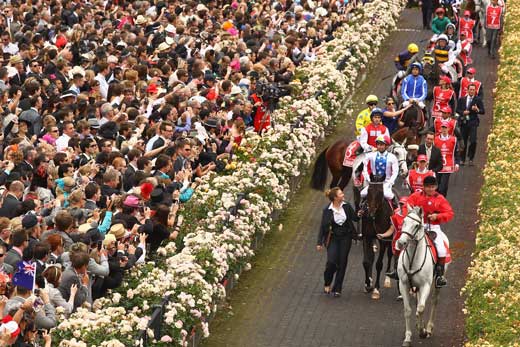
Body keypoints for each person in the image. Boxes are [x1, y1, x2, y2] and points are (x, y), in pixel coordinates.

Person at [406, 176, 454, 287]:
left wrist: (437, 216)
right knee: (402, 241)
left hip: (433, 227)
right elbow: (406, 206)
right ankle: (397, 269)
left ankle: (439, 276)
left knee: (441, 250)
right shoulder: (416, 196)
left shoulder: (440, 199)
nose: (430, 189)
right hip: (418, 226)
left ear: (436, 187)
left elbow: (449, 213)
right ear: (424, 187)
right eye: (428, 187)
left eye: (432, 187)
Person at [316, 187, 360, 297]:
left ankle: (337, 288)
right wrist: (319, 242)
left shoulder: (347, 206)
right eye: (340, 194)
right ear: (335, 198)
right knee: (331, 261)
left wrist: (360, 213)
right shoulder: (327, 210)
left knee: (342, 262)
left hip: (346, 237)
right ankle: (327, 281)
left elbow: (355, 218)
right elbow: (322, 227)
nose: (343, 194)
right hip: (333, 238)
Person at [377, 196, 409, 283]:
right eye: (401, 204)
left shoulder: (411, 216)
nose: (402, 206)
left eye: (404, 205)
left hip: (409, 244)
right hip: (398, 244)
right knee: (398, 266)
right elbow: (392, 229)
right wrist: (383, 235)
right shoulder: (395, 215)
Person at [360, 135, 399, 204]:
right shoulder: (371, 155)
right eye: (378, 144)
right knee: (362, 193)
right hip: (373, 183)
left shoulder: (392, 157)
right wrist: (367, 178)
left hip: (386, 183)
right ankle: (361, 209)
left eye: (381, 145)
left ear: (386, 146)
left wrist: (390, 182)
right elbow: (364, 165)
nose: (379, 147)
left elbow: (395, 172)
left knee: (388, 195)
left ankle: (396, 207)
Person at [456, 83, 485, 166]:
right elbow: (457, 110)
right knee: (463, 142)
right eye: (470, 89)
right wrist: (463, 112)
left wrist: (477, 110)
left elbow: (483, 111)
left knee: (473, 141)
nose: (472, 91)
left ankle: (471, 158)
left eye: (473, 90)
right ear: (467, 90)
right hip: (464, 122)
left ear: (475, 91)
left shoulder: (478, 100)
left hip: (473, 123)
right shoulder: (462, 99)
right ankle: (462, 159)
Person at [434, 121, 459, 197]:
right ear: (440, 129)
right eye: (442, 128)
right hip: (437, 166)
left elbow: (456, 152)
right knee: (437, 186)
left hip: (448, 166)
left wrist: (457, 163)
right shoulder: (435, 139)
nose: (444, 130)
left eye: (445, 128)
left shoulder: (453, 140)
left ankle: (443, 199)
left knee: (443, 186)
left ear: (448, 129)